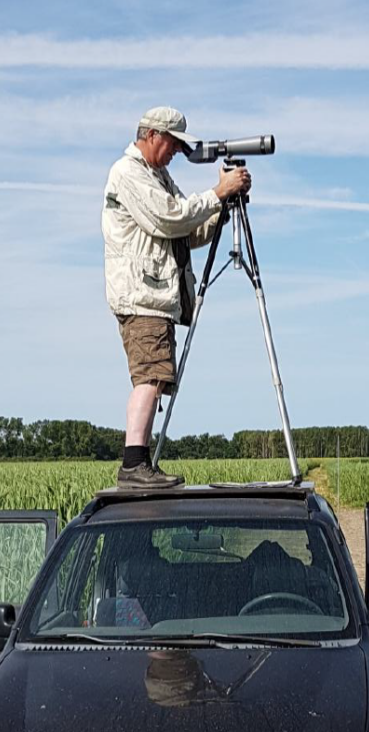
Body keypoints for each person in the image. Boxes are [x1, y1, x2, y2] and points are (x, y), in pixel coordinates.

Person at [102, 106, 251, 489]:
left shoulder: (159, 177)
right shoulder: (129, 172)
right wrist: (217, 192)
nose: (174, 153)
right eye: (172, 144)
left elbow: (186, 231)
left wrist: (222, 207)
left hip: (156, 298)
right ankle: (134, 463)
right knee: (150, 377)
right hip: (142, 297)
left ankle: (140, 462)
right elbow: (169, 218)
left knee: (156, 377)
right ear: (153, 135)